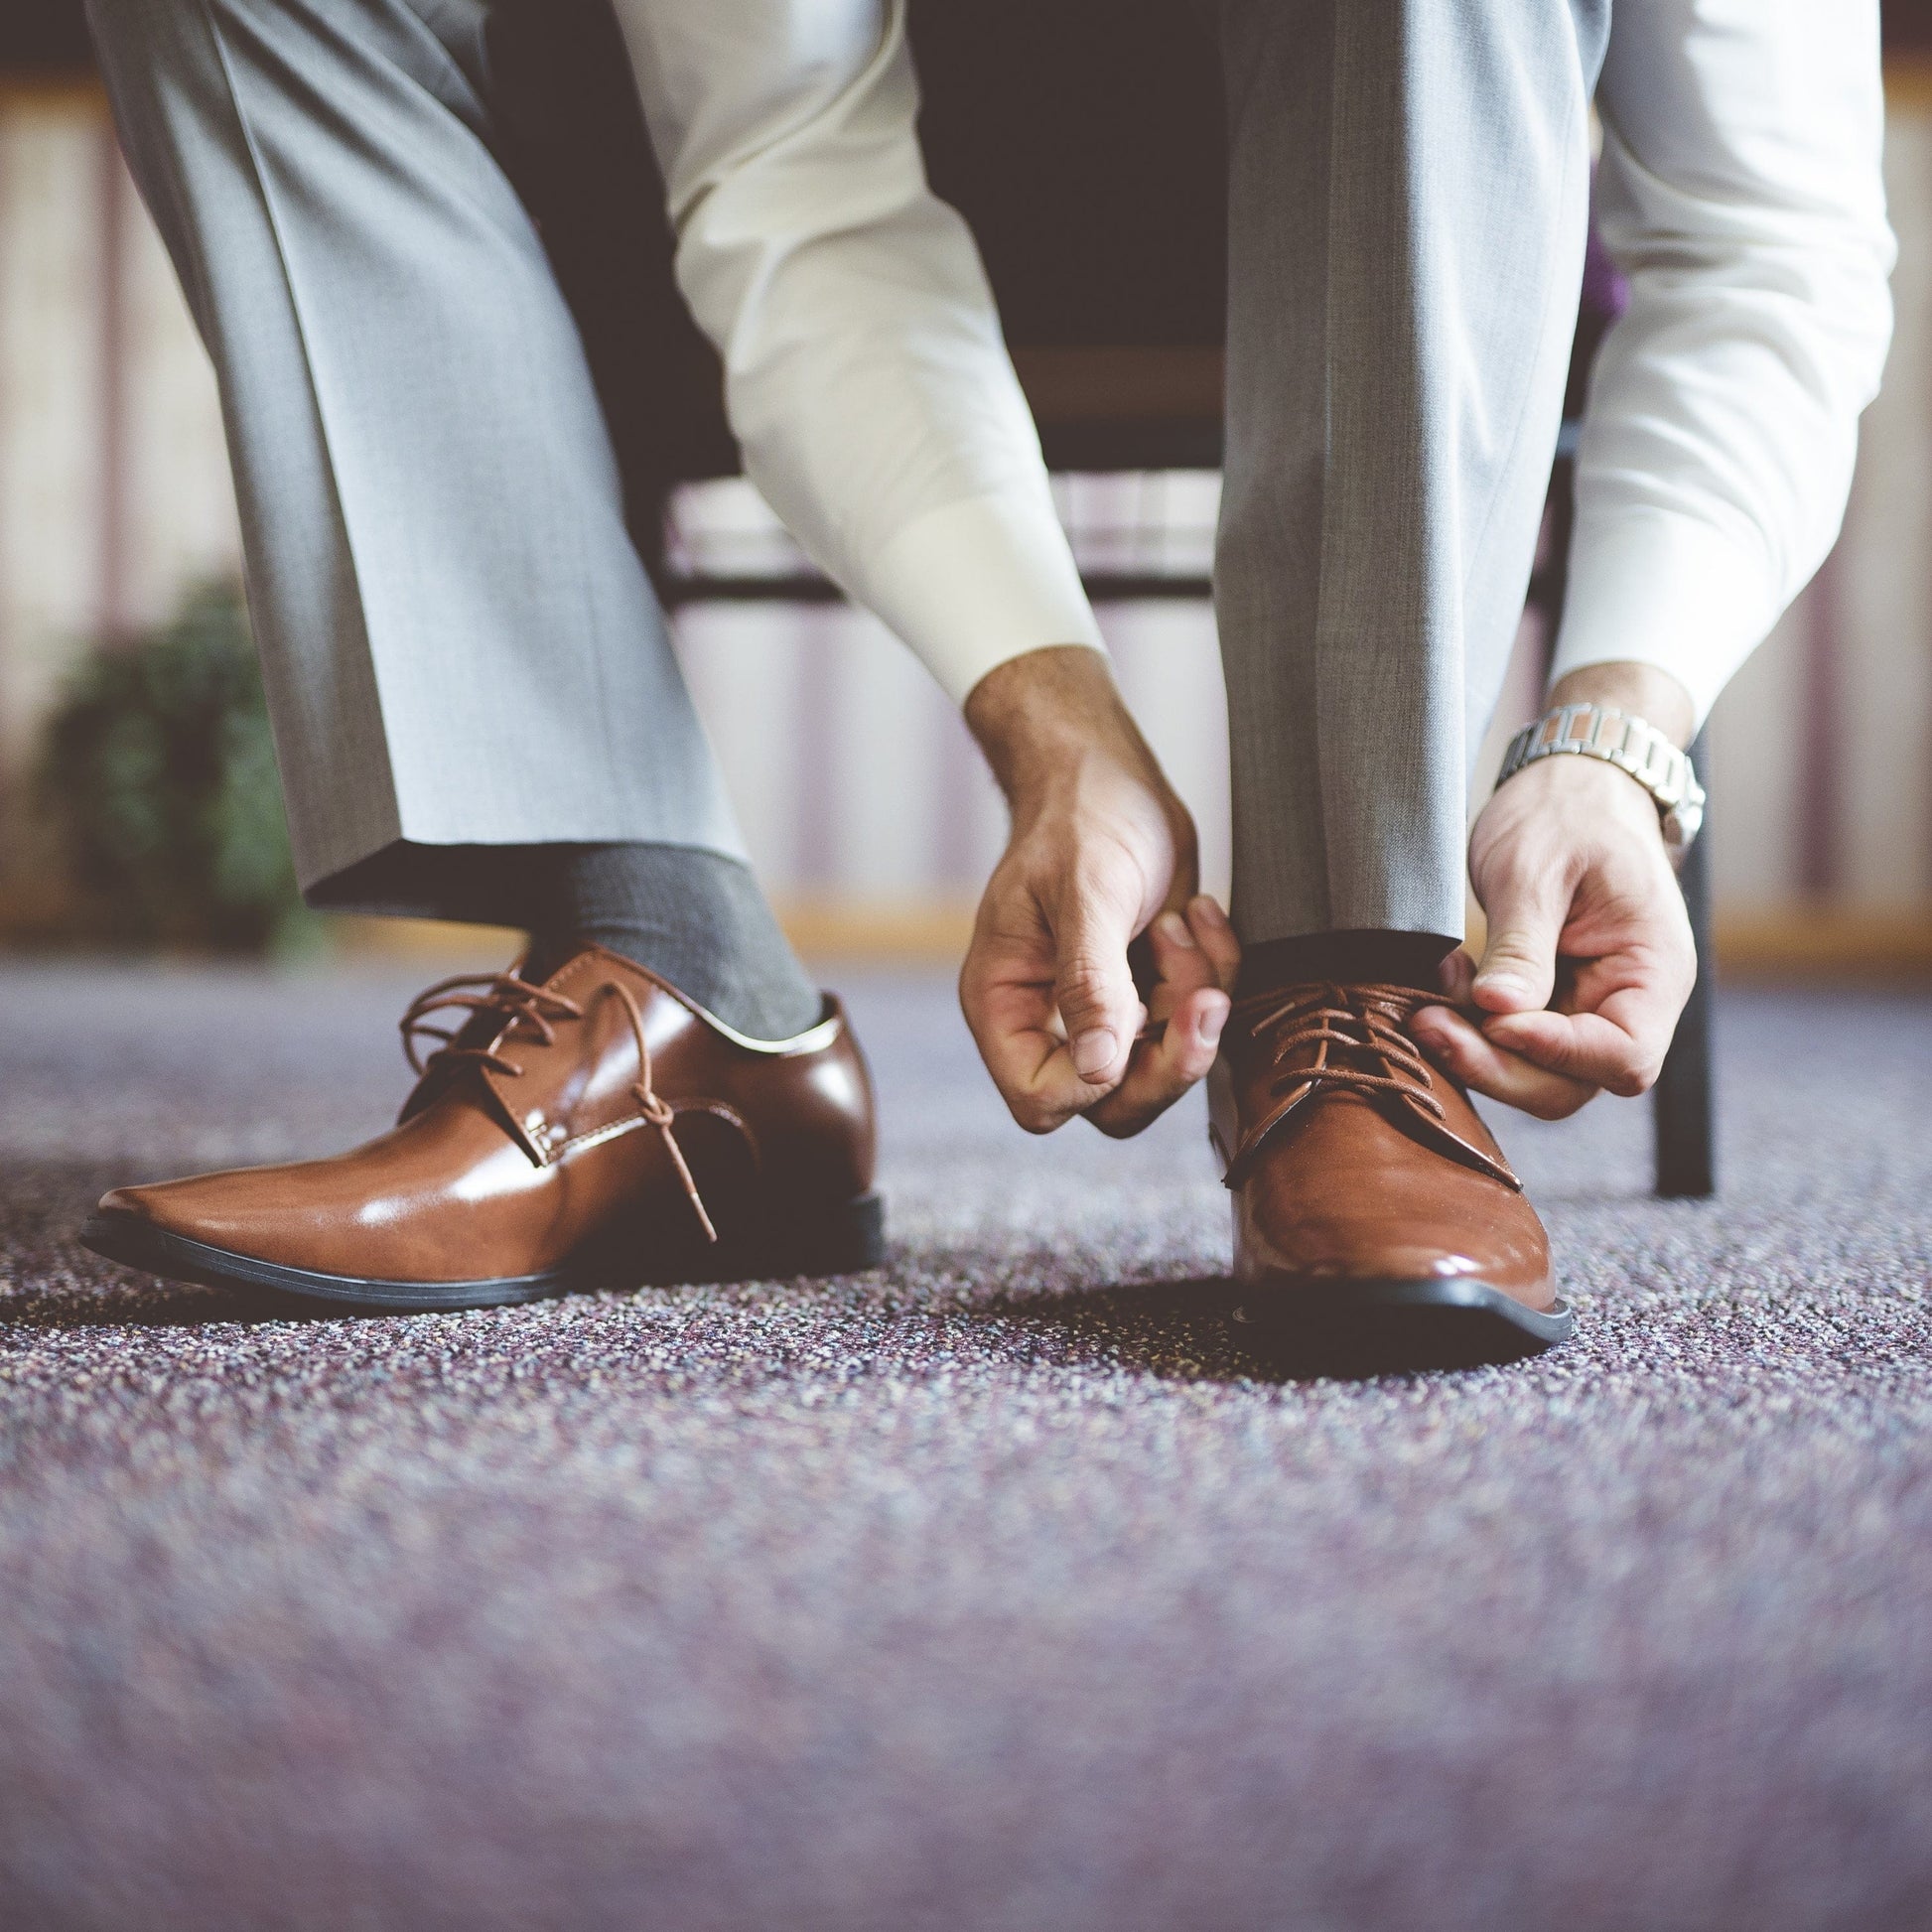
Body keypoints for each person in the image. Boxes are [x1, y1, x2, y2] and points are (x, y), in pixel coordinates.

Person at [77, 0, 1891, 1362]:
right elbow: (795, 175)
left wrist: (1613, 738)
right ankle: (678, 993)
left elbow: (1765, 241)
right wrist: (1053, 728)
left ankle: (1353, 981)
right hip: (810, 157)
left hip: (1405, 146)